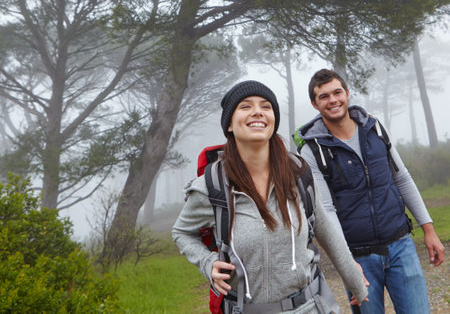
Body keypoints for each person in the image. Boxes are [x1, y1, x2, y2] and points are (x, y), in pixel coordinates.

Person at [172, 80, 368, 314]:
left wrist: (356, 283)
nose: (257, 111)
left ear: (273, 120)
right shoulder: (212, 185)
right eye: (245, 106)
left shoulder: (298, 174)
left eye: (266, 106)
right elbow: (182, 232)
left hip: (309, 306)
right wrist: (207, 263)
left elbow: (327, 232)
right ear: (230, 125)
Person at [296, 69, 445, 314]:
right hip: (358, 258)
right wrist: (347, 265)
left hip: (401, 247)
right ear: (315, 103)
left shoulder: (375, 129)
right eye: (324, 96)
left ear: (347, 93)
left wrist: (428, 229)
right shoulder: (312, 151)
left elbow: (402, 178)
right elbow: (327, 210)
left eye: (337, 92)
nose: (333, 100)